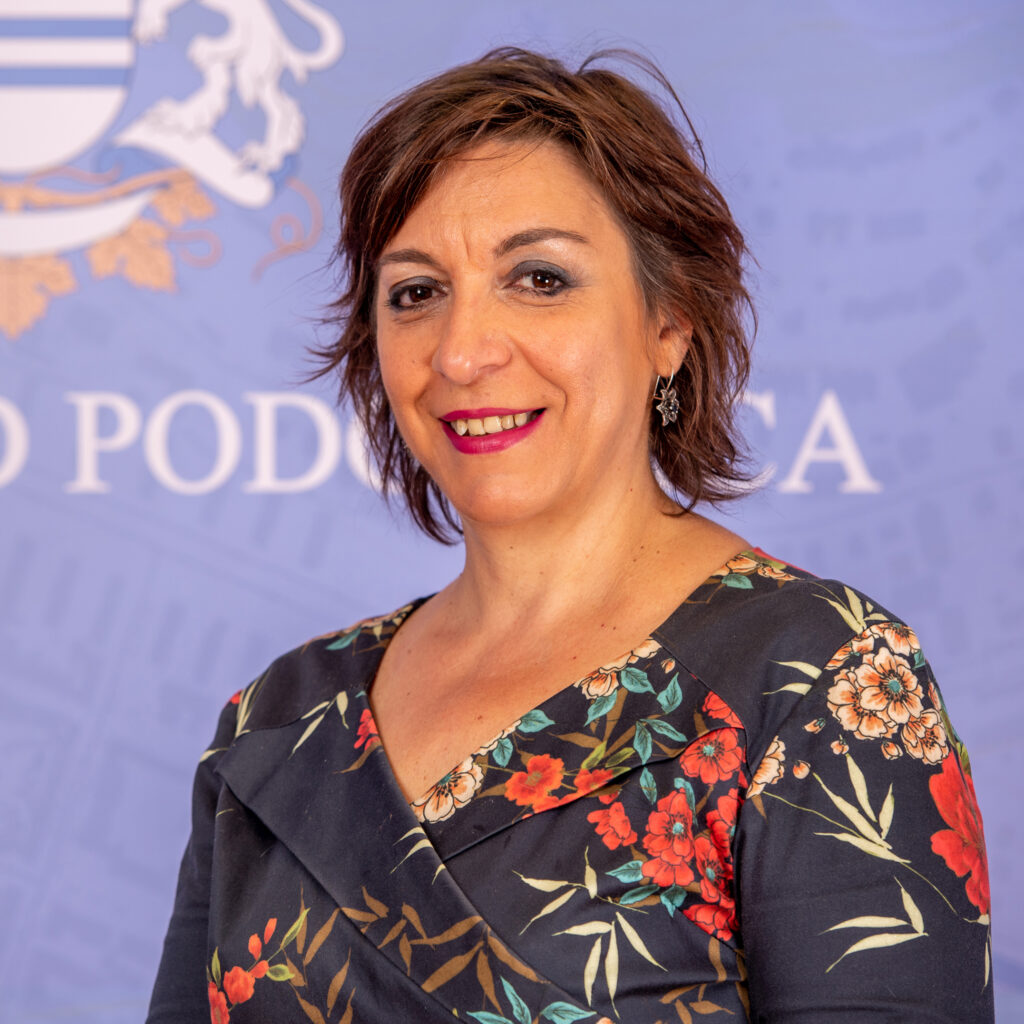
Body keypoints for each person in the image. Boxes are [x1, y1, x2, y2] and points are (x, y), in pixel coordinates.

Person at [146, 48, 993, 1023]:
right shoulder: (280, 718)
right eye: (416, 292)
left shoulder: (822, 680)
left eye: (539, 278)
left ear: (669, 324)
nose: (462, 352)